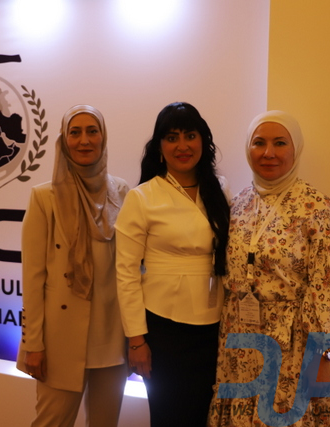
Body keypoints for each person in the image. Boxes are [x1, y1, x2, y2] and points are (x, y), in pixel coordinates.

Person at [208, 110, 330, 426]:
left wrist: (325, 355)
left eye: (279, 143)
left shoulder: (316, 207)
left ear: (296, 148)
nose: (268, 153)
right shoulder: (237, 204)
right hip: (240, 341)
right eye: (259, 143)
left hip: (292, 346)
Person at [115, 102, 230, 427]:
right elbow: (125, 273)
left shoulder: (219, 190)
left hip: (214, 326)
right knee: (169, 417)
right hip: (163, 328)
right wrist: (137, 341)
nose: (182, 146)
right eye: (172, 137)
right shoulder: (142, 197)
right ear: (160, 147)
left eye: (190, 135)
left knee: (206, 417)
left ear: (203, 141)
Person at [17, 105, 129, 427]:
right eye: (75, 132)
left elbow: (132, 269)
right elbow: (33, 278)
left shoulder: (121, 191)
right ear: (63, 140)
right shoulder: (44, 197)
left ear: (103, 137)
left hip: (112, 337)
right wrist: (33, 344)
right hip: (59, 341)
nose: (84, 140)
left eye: (92, 131)